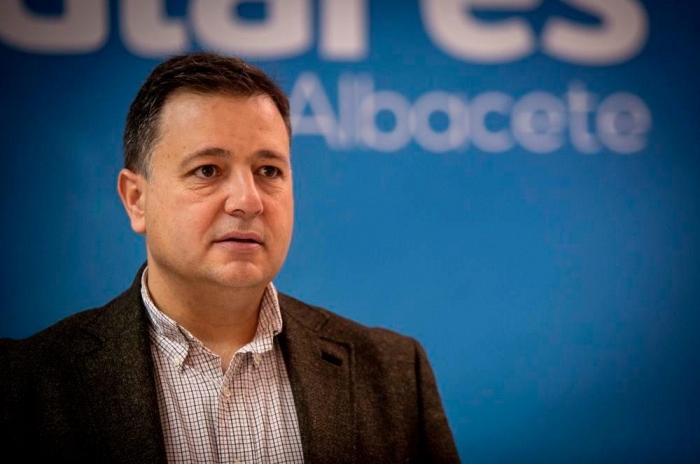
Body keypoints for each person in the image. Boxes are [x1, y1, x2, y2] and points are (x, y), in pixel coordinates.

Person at [0, 52, 459, 463]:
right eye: (207, 170)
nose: (248, 200)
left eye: (268, 170)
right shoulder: (21, 384)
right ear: (136, 199)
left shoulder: (395, 374)